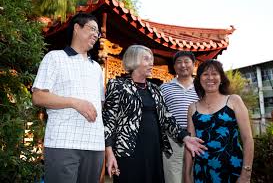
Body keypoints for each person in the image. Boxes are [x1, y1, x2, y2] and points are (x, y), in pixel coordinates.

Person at [103, 45, 207, 183]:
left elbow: (166, 118)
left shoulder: (155, 89)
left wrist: (185, 138)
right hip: (128, 152)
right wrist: (109, 153)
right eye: (146, 59)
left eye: (151, 59)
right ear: (133, 60)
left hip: (153, 149)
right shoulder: (117, 85)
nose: (151, 63)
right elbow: (108, 121)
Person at [32, 13, 104, 183]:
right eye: (92, 29)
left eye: (98, 32)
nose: (95, 34)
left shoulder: (97, 68)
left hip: (95, 145)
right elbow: (38, 96)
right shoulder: (55, 57)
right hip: (63, 144)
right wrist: (74, 102)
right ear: (77, 28)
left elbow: (99, 105)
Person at [184, 60, 254, 183]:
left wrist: (246, 174)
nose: (210, 78)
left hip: (232, 170)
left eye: (215, 73)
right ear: (199, 79)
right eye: (205, 74)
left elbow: (247, 139)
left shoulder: (234, 101)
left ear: (221, 78)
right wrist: (187, 176)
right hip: (202, 171)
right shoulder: (192, 108)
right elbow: (190, 145)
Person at [161, 51, 199, 183]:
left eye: (187, 61)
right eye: (179, 62)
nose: (183, 65)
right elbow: (161, 114)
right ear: (174, 66)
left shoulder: (201, 87)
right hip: (173, 139)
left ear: (194, 65)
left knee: (195, 176)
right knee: (173, 177)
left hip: (196, 139)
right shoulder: (164, 88)